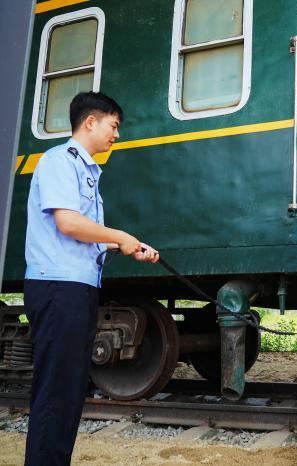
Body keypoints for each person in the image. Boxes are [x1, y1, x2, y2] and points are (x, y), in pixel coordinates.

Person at [23, 91, 159, 465]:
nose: (116, 135)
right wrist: (119, 236)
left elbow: (83, 233)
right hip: (57, 288)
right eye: (114, 126)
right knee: (55, 390)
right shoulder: (58, 163)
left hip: (75, 288)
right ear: (90, 122)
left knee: (67, 390)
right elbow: (68, 223)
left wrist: (126, 246)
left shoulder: (84, 171)